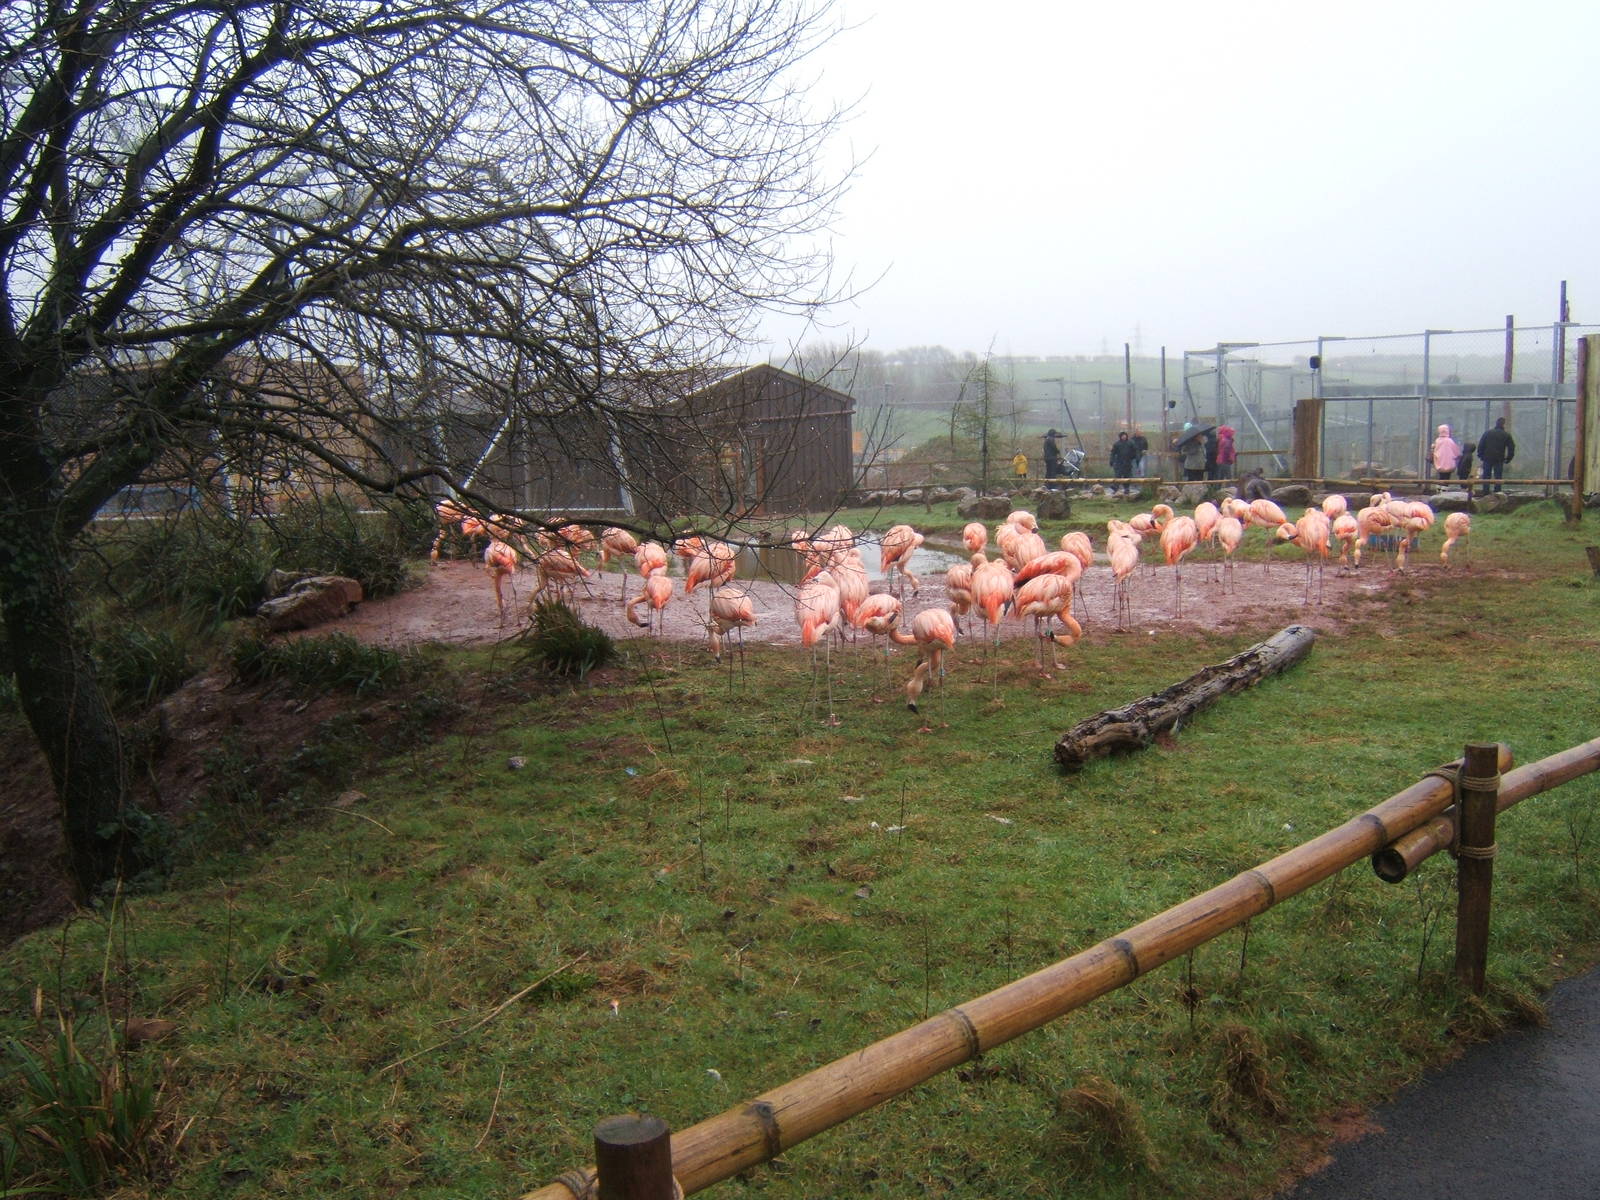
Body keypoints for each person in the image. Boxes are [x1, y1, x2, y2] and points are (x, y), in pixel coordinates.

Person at [1477, 417, 1515, 492]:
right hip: (1499, 458)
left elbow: (1481, 444)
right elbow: (1511, 447)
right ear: (1503, 424)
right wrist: (1508, 458)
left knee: (1486, 476)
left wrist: (1481, 455)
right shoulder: (1506, 435)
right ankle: (1497, 492)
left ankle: (1485, 492)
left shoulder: (1488, 433)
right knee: (1498, 476)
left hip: (1487, 457)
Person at [1108, 431, 1138, 497]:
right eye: (1122, 436)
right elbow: (1113, 453)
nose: (1124, 437)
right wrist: (1111, 461)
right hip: (1119, 462)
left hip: (1128, 462)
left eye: (1125, 435)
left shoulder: (1130, 443)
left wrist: (1134, 457)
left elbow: (1135, 451)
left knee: (1127, 476)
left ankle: (1126, 488)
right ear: (1120, 437)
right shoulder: (1117, 444)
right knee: (1118, 475)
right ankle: (1115, 487)